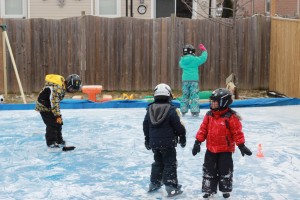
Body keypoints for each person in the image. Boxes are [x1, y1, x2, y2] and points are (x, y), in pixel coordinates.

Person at [192, 88, 252, 199]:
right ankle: (208, 190)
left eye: (215, 101)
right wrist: (197, 142)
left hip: (225, 151)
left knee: (225, 170)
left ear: (223, 102)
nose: (212, 103)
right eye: (212, 101)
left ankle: (225, 190)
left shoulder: (231, 117)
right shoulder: (209, 115)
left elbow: (237, 132)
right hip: (211, 150)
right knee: (209, 170)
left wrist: (241, 145)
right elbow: (203, 129)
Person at [143, 83, 186, 197]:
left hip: (155, 143)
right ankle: (171, 186)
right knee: (170, 164)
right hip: (168, 144)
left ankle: (154, 183)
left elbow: (145, 125)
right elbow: (177, 125)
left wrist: (147, 139)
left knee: (158, 163)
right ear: (169, 96)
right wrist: (182, 135)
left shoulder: (150, 109)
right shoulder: (171, 110)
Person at [35, 74, 81, 150]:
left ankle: (59, 140)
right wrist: (57, 115)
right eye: (72, 89)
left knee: (58, 123)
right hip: (43, 106)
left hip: (50, 105)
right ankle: (51, 143)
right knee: (52, 124)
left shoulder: (62, 86)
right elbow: (54, 102)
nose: (72, 91)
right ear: (69, 85)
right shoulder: (57, 88)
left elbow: (55, 103)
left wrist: (58, 116)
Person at [179, 43, 208, 117]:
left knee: (185, 95)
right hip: (194, 81)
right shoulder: (195, 59)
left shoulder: (182, 60)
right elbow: (203, 58)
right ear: (192, 51)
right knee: (194, 96)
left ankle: (183, 111)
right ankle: (194, 111)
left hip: (185, 80)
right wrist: (204, 51)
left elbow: (180, 64)